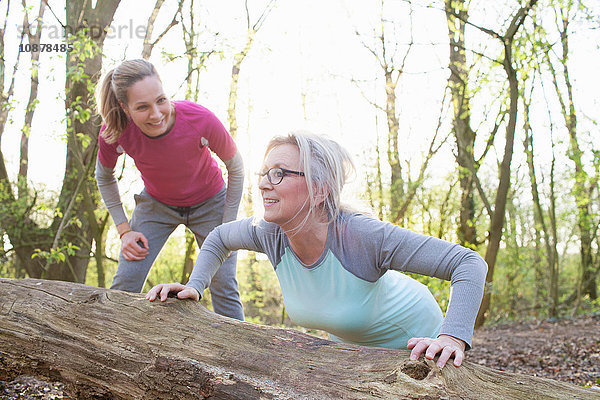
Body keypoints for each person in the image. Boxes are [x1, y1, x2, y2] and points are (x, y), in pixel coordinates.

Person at [146, 132, 488, 368]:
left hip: (417, 344)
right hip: (349, 352)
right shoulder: (270, 234)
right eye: (264, 173)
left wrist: (453, 336)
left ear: (319, 189)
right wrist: (195, 285)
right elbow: (219, 238)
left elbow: (468, 264)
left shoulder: (362, 235)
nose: (264, 183)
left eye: (279, 174)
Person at [95, 59, 244, 320]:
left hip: (211, 202)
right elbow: (104, 177)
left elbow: (237, 168)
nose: (156, 114)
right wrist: (124, 231)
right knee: (125, 284)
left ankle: (243, 355)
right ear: (124, 107)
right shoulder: (116, 131)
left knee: (224, 285)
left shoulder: (199, 119)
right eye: (142, 107)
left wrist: (227, 228)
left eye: (161, 100)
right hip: (157, 205)